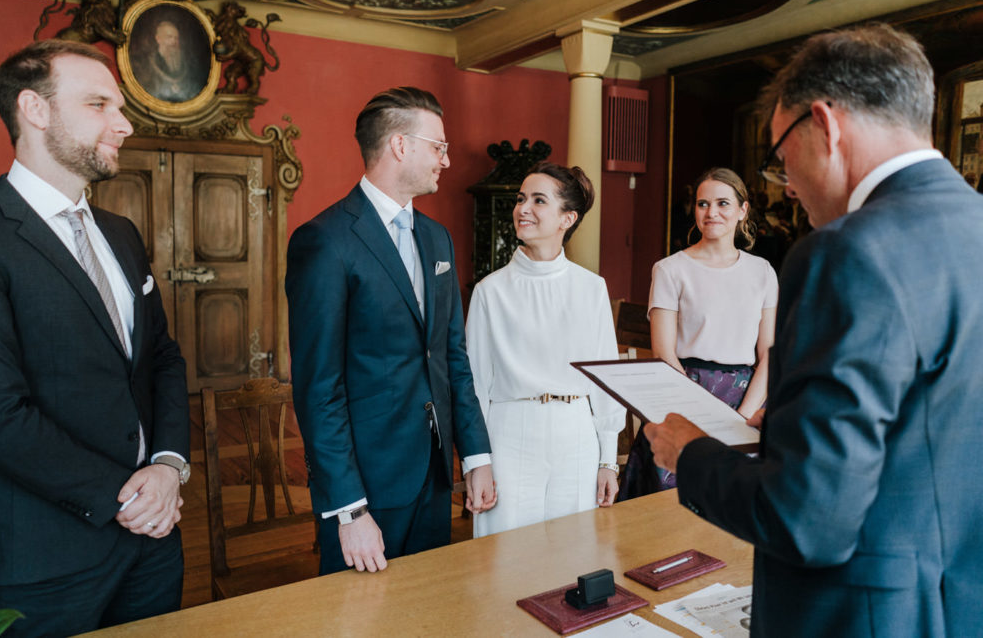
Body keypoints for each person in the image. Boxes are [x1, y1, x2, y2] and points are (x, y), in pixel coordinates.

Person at [644, 23, 983, 637]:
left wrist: (689, 454)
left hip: (858, 617)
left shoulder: (846, 253)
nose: (788, 186)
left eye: (779, 159)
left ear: (824, 126)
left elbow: (810, 518)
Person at [0, 40, 190, 636]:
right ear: (35, 110)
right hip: (45, 553)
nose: (125, 123)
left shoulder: (121, 232)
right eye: (99, 105)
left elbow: (160, 358)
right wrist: (123, 498)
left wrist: (167, 467)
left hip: (155, 537)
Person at [286, 86, 495, 575]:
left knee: (426, 611)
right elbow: (318, 388)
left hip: (434, 471)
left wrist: (476, 455)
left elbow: (451, 358)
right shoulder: (325, 241)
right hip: (367, 481)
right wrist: (349, 507)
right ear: (400, 145)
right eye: (438, 146)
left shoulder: (436, 237)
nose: (446, 159)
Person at [465, 162, 624, 537]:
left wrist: (608, 460)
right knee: (504, 560)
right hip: (510, 434)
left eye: (538, 200)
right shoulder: (490, 291)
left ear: (567, 218)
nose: (523, 208)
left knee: (573, 561)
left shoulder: (592, 288)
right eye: (521, 199)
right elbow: (475, 386)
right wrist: (477, 464)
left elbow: (605, 381)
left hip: (577, 435)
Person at [620, 168, 777, 497]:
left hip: (743, 398)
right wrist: (697, 414)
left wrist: (741, 419)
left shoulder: (762, 272)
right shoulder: (670, 269)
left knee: (733, 503)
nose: (712, 212)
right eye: (703, 204)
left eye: (722, 203)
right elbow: (664, 353)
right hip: (682, 393)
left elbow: (768, 355)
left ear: (742, 210)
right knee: (669, 506)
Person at [132, 20, 203, 102]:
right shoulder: (145, 64)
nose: (174, 42)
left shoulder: (188, 65)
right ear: (158, 39)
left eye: (176, 38)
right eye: (169, 37)